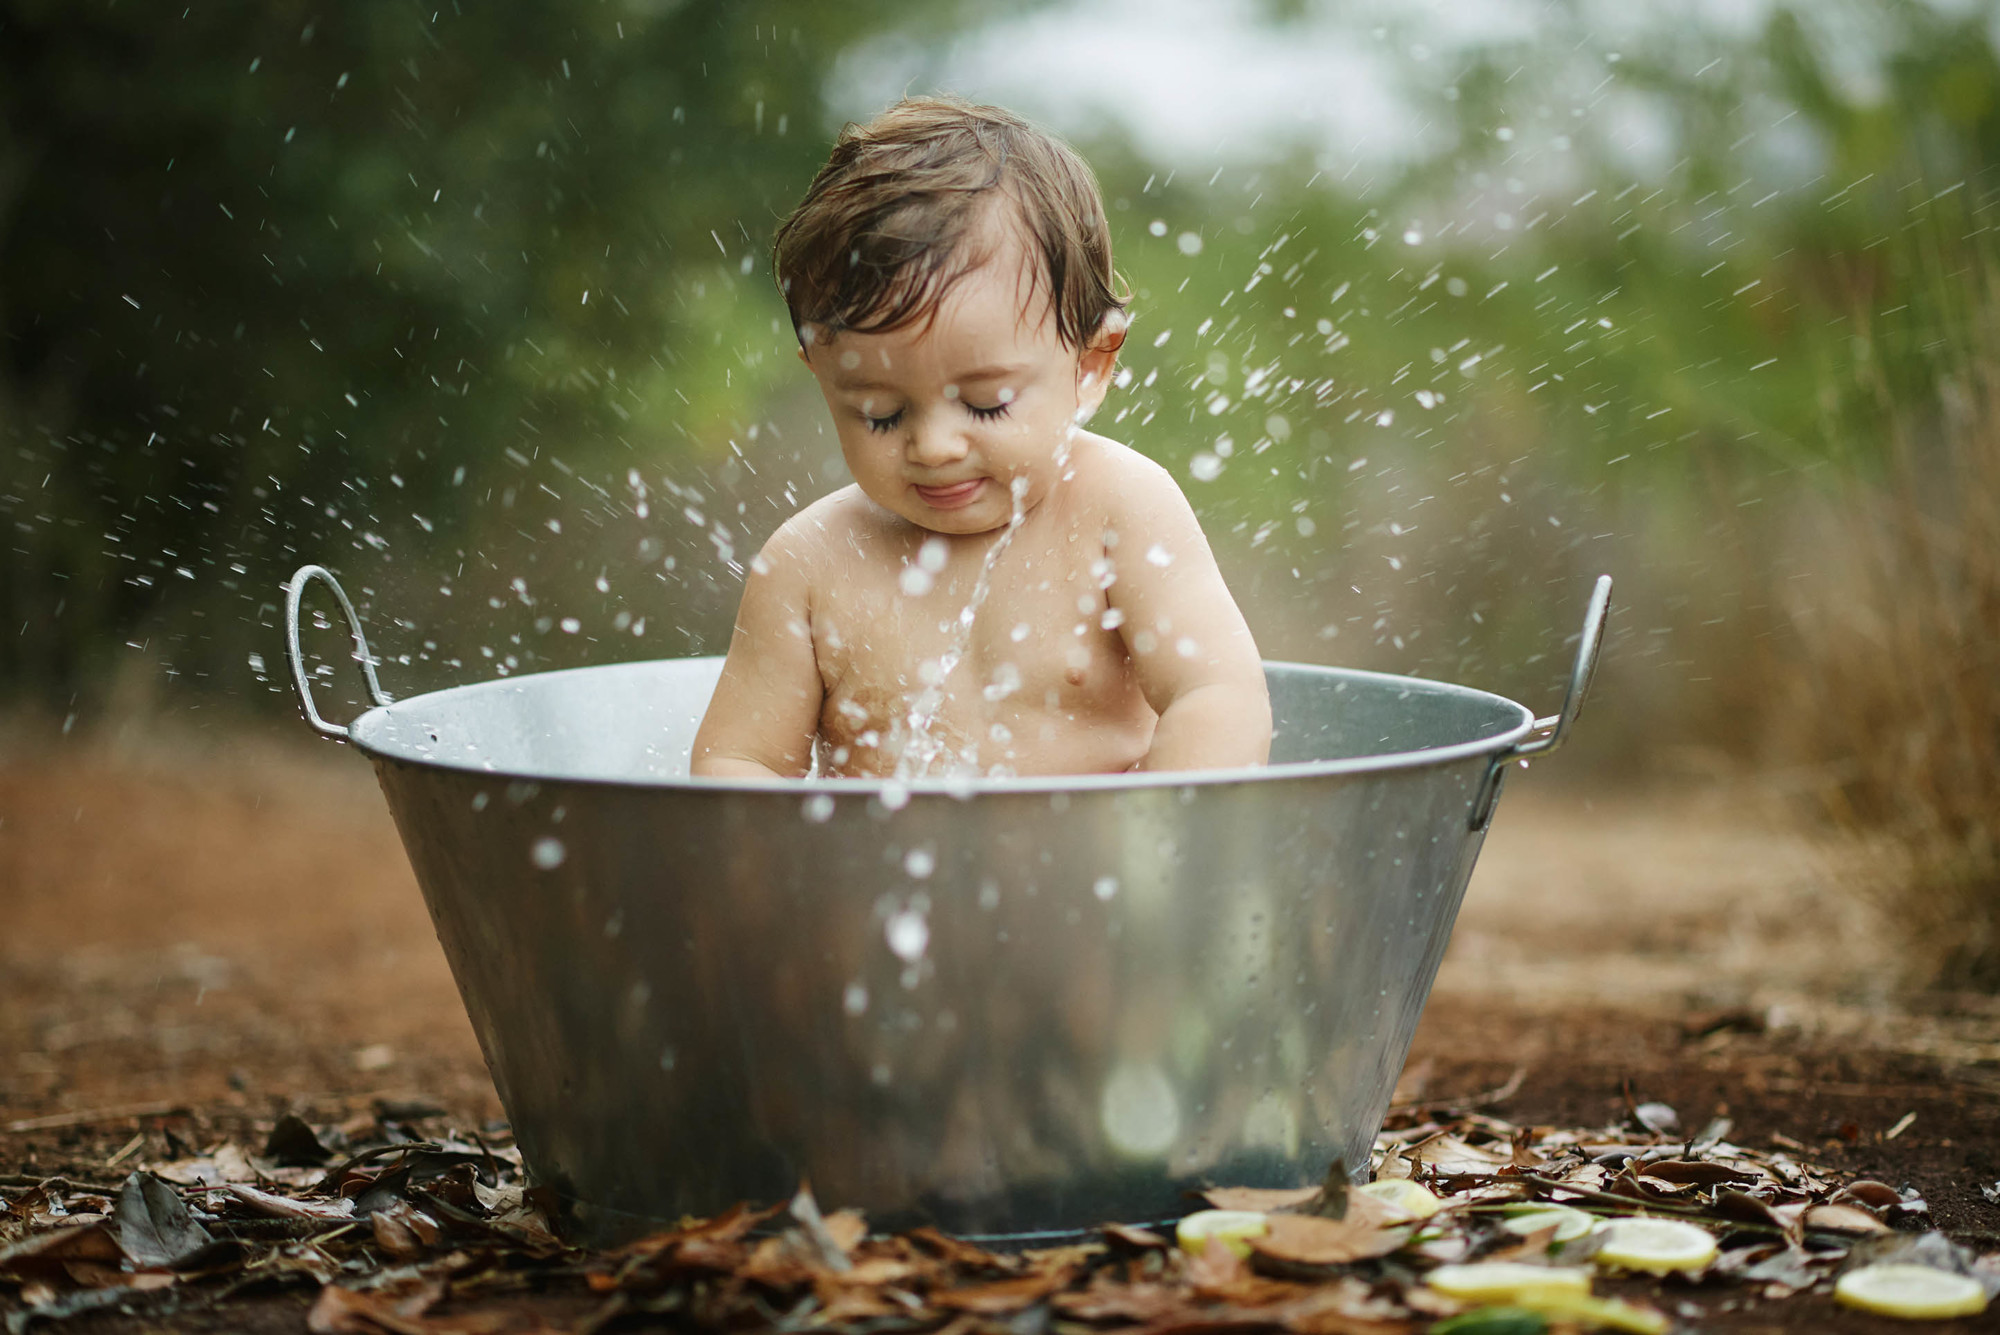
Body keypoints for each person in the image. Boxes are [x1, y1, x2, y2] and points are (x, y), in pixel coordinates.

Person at [691, 95, 1270, 780]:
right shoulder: (809, 561)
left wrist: (1154, 848)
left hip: (1097, 876)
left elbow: (1218, 695)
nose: (933, 446)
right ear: (822, 376)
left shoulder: (1117, 507)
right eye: (879, 413)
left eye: (987, 404)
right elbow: (739, 759)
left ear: (1089, 366)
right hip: (875, 887)